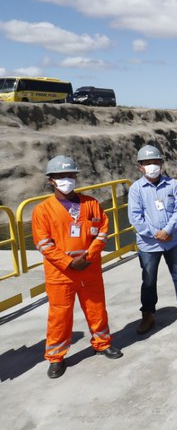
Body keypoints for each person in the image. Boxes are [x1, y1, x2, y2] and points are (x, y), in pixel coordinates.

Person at [32, 156, 123, 379]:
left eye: (71, 176)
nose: (67, 180)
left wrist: (89, 256)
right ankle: (56, 357)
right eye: (61, 176)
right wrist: (69, 262)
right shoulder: (42, 211)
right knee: (60, 316)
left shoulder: (91, 204)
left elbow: (103, 231)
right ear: (51, 180)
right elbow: (44, 244)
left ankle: (102, 343)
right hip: (60, 274)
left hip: (89, 270)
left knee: (96, 309)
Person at [129, 145, 177, 334]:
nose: (152, 166)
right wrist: (155, 233)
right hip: (149, 244)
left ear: (161, 164)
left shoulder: (172, 184)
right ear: (140, 167)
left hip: (173, 241)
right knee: (149, 280)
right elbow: (135, 217)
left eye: (155, 162)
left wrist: (168, 230)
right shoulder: (136, 189)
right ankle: (148, 315)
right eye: (147, 163)